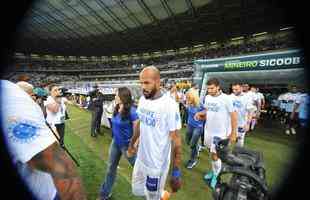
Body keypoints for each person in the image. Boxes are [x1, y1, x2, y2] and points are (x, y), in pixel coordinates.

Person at [1, 80, 87, 200]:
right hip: (52, 126)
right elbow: (61, 166)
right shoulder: (18, 101)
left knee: (60, 145)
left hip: (55, 127)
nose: (37, 99)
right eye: (55, 90)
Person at [127, 66, 182, 200]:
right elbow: (140, 123)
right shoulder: (143, 100)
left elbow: (176, 140)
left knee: (151, 197)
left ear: (158, 82)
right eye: (141, 83)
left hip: (156, 165)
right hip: (141, 159)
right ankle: (161, 193)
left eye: (147, 83)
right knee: (137, 190)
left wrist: (176, 172)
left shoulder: (169, 105)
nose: (143, 87)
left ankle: (160, 194)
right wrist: (132, 143)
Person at [195, 78, 237, 189]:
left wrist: (233, 132)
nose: (209, 90)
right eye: (208, 88)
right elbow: (208, 111)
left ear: (218, 87)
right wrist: (201, 114)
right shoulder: (208, 97)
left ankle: (216, 176)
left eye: (212, 88)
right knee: (211, 153)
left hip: (220, 133)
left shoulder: (226, 99)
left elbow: (233, 115)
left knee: (215, 155)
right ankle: (214, 172)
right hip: (208, 130)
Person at [99, 87, 139, 200]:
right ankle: (105, 194)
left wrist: (133, 147)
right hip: (116, 143)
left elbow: (139, 131)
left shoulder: (132, 111)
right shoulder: (117, 107)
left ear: (123, 97)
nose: (115, 97)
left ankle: (153, 192)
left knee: (139, 170)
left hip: (127, 146)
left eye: (116, 95)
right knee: (110, 168)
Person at [184, 88, 205, 169]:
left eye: (189, 97)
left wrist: (199, 114)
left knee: (192, 144)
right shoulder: (189, 103)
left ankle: (193, 160)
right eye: (187, 97)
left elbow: (206, 112)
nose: (187, 99)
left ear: (193, 97)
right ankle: (197, 146)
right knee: (187, 141)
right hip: (190, 124)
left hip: (198, 127)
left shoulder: (199, 104)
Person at [230, 83, 252, 147]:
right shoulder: (230, 96)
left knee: (239, 142)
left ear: (241, 88)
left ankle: (237, 155)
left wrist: (248, 124)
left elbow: (250, 111)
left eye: (236, 89)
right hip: (230, 123)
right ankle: (225, 155)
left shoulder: (247, 98)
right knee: (227, 140)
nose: (234, 91)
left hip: (241, 124)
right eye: (233, 89)